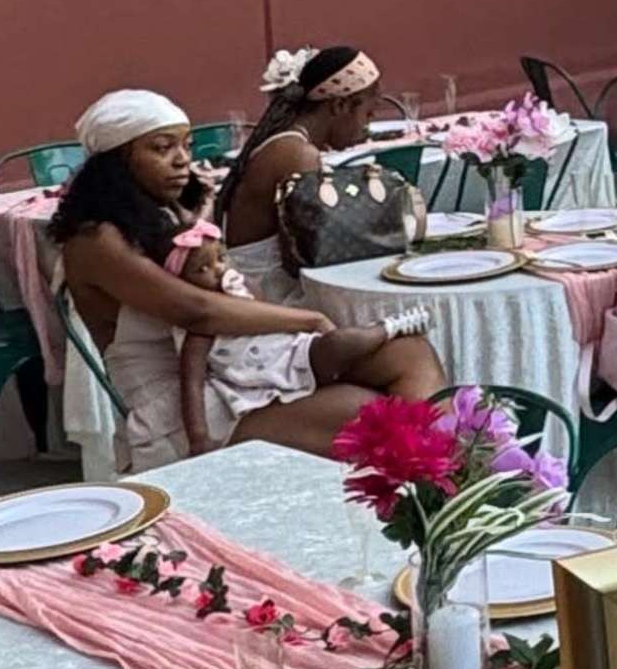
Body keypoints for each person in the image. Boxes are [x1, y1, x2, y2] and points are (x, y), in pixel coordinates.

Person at [50, 92, 442, 463]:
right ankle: (430, 485)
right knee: (371, 415)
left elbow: (240, 294)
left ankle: (433, 477)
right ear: (116, 163)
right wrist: (311, 321)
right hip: (186, 408)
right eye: (162, 147)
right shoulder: (95, 239)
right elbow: (197, 310)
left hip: (242, 368)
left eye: (186, 145)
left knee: (409, 353)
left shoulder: (169, 217)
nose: (181, 160)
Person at [220, 42, 423, 290]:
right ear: (339, 106)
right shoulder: (298, 154)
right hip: (265, 291)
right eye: (368, 114)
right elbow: (306, 256)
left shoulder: (290, 142)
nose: (367, 128)